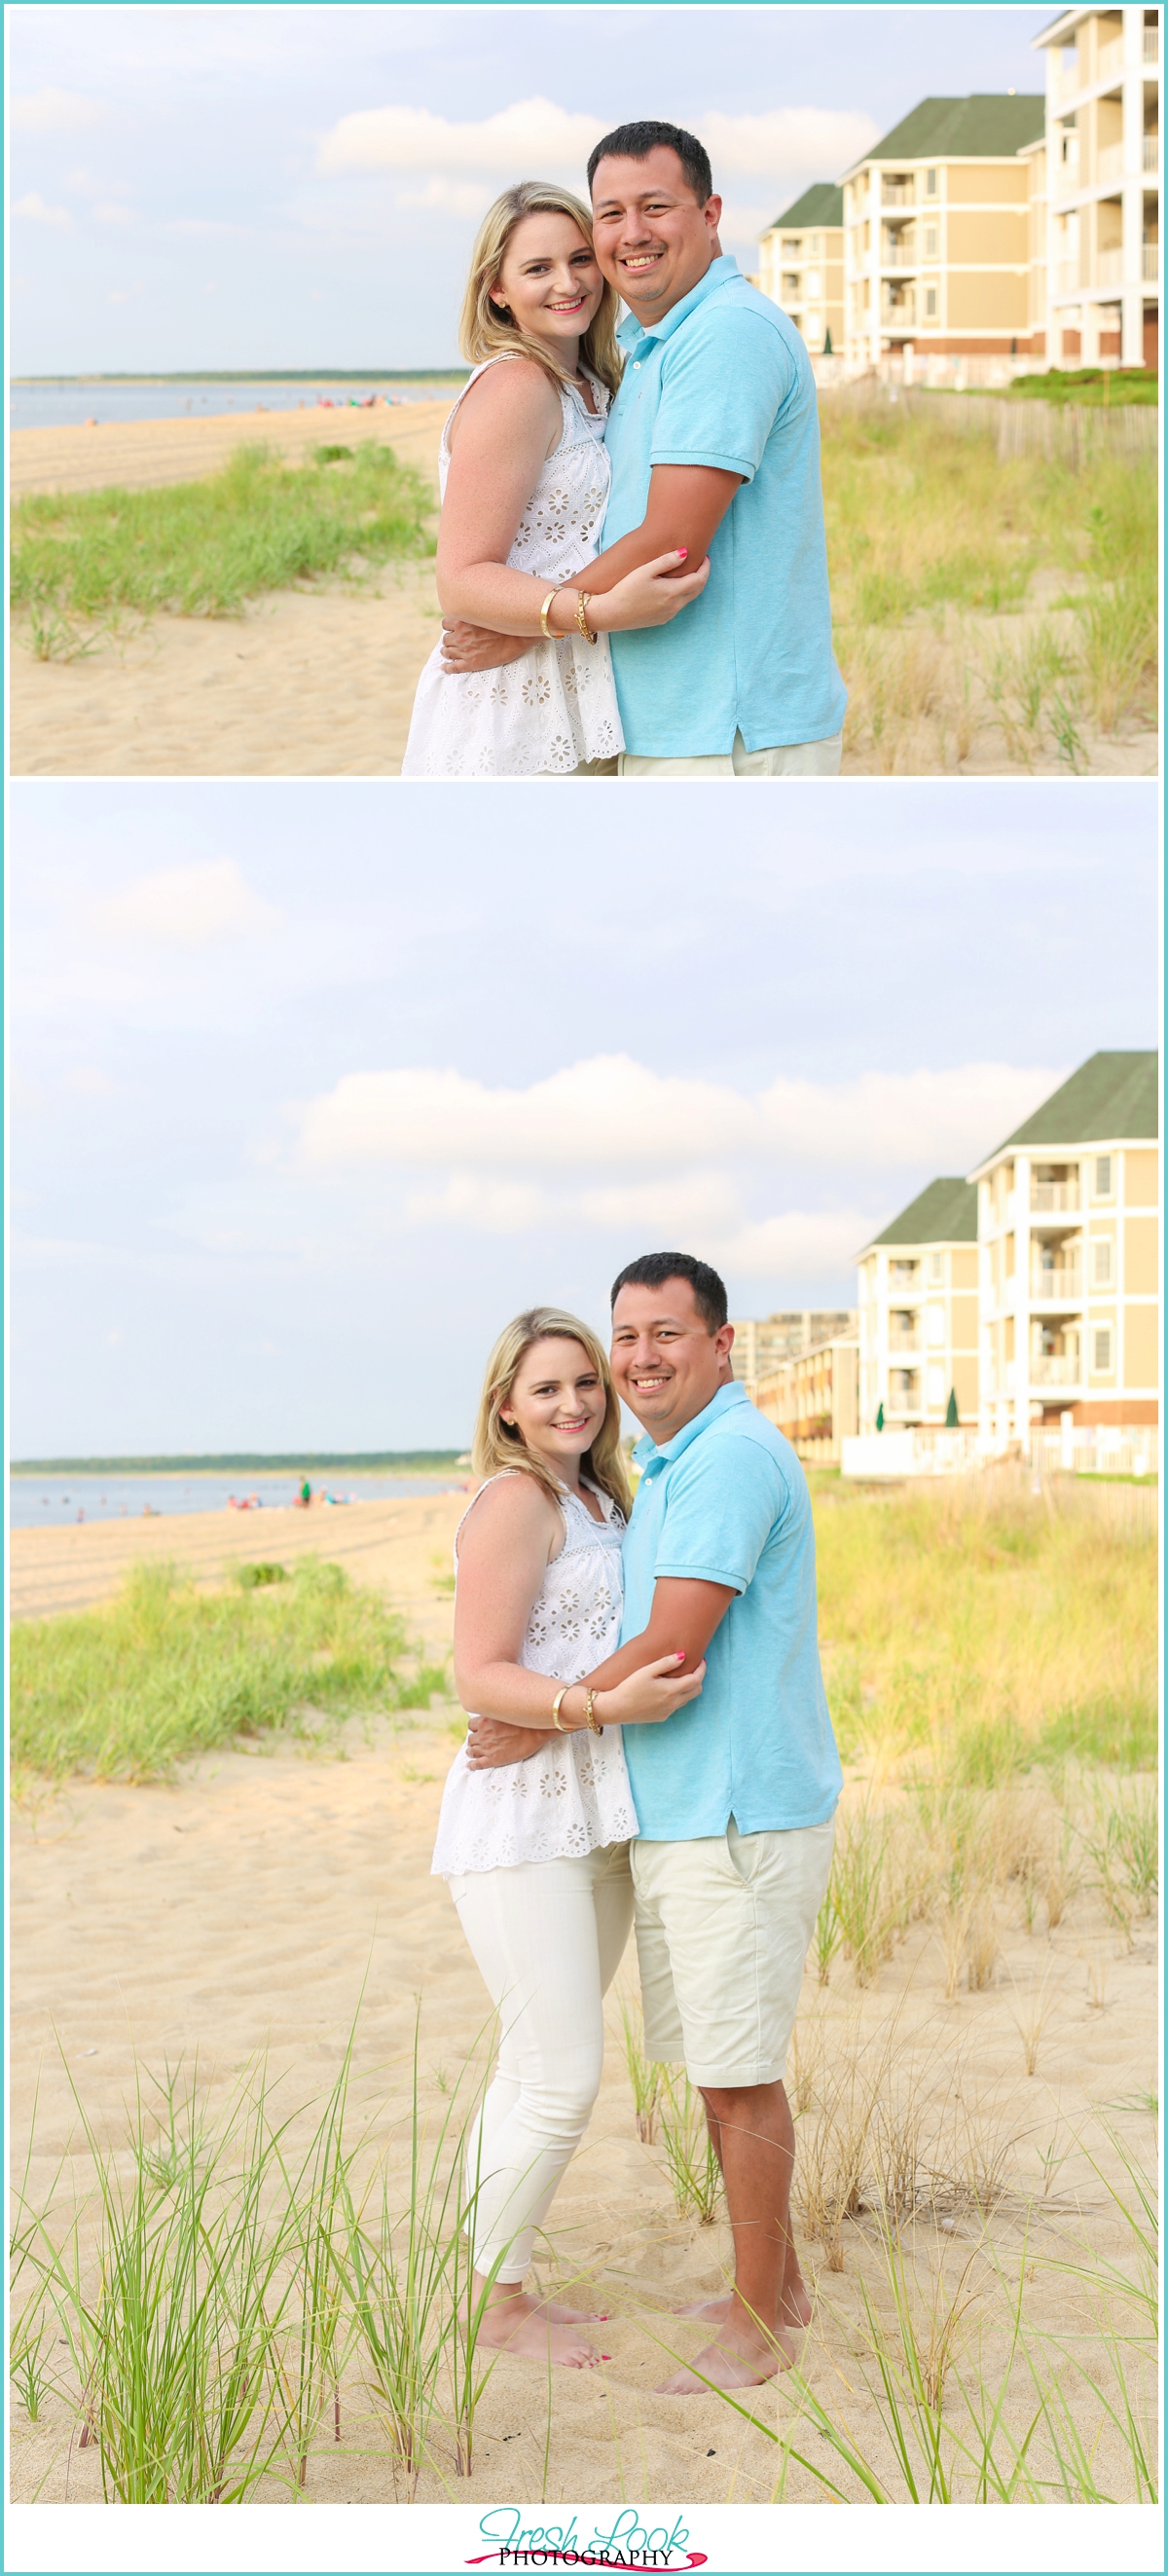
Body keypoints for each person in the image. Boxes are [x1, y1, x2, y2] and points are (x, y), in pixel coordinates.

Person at [467, 1253, 842, 2392]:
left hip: (726, 1810)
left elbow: (677, 1634)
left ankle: (760, 2315)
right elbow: (488, 1661)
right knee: (664, 2067)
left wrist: (551, 1722)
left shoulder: (714, 1461)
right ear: (506, 1406)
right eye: (620, 1340)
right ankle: (760, 2289)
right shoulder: (649, 1472)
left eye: (658, 1337)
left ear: (721, 1344)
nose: (628, 1367)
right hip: (653, 1815)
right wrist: (560, 1714)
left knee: (733, 2074)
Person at [431, 1306, 704, 2367]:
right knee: (560, 2073)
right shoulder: (516, 1499)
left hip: (597, 1819)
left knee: (534, 2061)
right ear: (506, 1405)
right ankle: (496, 2305)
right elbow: (477, 1674)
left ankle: (500, 2280)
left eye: (585, 1383)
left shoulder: (603, 1498)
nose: (576, 1403)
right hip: (522, 1823)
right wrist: (595, 1711)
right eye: (546, 1389)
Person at [443, 121, 847, 777]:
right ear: (498, 288)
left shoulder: (725, 335)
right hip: (670, 722)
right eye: (611, 214)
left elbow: (672, 537)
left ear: (710, 215)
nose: (632, 233)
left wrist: (526, 626)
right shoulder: (648, 352)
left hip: (730, 728)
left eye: (655, 207)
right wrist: (547, 619)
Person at [401, 183, 710, 779]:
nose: (568, 284)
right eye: (538, 268)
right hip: (511, 701)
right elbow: (461, 582)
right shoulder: (517, 387)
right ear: (496, 289)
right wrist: (598, 612)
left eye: (580, 259)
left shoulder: (597, 384)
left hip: (577, 683)